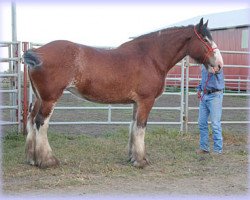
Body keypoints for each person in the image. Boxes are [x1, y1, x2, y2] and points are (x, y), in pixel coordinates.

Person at [196, 64, 225, 155]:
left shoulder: (217, 64)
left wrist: (216, 68)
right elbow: (204, 79)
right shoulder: (204, 65)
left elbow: (218, 69)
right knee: (202, 122)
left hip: (215, 95)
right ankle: (204, 148)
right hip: (205, 95)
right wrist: (199, 89)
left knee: (215, 124)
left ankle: (218, 150)